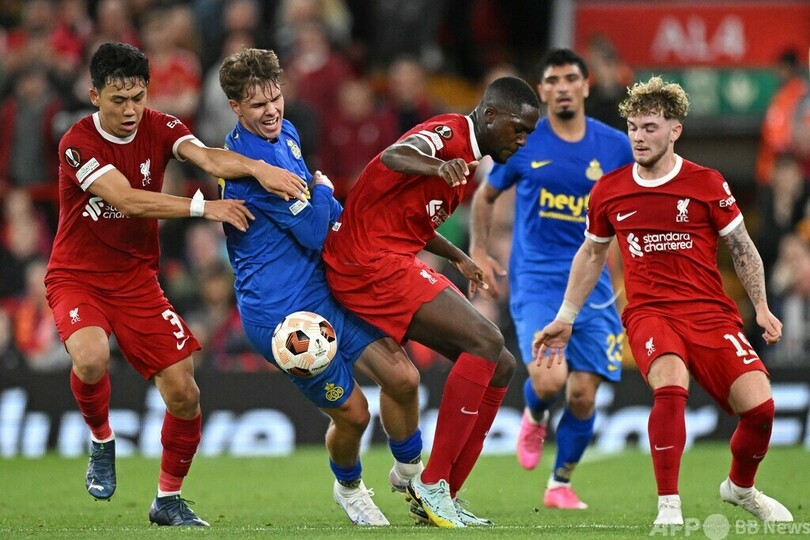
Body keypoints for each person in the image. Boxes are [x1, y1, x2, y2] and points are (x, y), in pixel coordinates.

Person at [44, 42, 308, 527]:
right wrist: (205, 208)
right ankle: (101, 439)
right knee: (91, 357)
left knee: (185, 392)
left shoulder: (161, 126)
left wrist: (257, 167)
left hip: (136, 280)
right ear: (95, 96)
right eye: (118, 100)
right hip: (78, 277)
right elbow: (128, 200)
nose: (130, 110)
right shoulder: (76, 143)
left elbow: (207, 158)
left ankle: (168, 500)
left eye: (138, 98)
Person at [533, 76, 794, 526]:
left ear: (675, 130)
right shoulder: (610, 189)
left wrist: (762, 307)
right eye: (633, 127)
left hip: (710, 313)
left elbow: (742, 248)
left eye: (650, 127)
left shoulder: (706, 182)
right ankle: (669, 506)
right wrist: (566, 316)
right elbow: (591, 254)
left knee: (761, 410)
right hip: (650, 313)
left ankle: (740, 487)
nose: (638, 136)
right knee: (670, 386)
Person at [217, 47, 424, 526]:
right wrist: (326, 191)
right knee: (355, 414)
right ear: (235, 108)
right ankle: (349, 487)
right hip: (282, 315)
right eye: (257, 105)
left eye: (275, 98)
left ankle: (411, 474)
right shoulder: (249, 165)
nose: (271, 111)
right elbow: (313, 228)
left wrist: (330, 207)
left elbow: (317, 216)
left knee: (404, 378)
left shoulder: (286, 133)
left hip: (321, 287)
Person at [322, 76, 541, 528]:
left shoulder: (465, 161)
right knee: (486, 340)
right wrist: (438, 166)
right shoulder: (449, 135)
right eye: (518, 129)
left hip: (388, 257)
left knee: (500, 364)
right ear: (490, 115)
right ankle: (432, 482)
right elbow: (394, 155)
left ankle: (443, 495)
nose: (522, 141)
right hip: (367, 262)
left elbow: (413, 223)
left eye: (528, 133)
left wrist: (459, 256)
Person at [469, 48, 633, 509]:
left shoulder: (615, 147)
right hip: (537, 280)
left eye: (570, 78)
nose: (562, 87)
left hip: (594, 284)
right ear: (541, 90)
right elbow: (484, 196)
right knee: (548, 381)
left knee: (583, 393)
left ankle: (560, 483)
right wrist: (479, 250)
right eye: (553, 80)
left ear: (586, 85)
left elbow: (631, 210)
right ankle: (536, 413)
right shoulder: (525, 142)